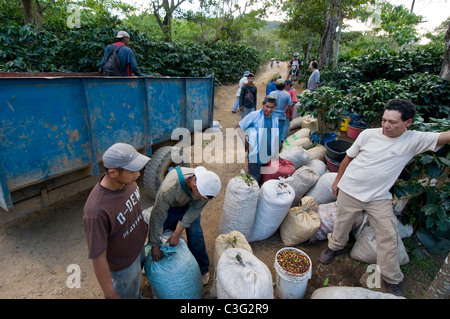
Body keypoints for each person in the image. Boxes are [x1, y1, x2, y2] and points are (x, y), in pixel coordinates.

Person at [319, 99, 450, 296]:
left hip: (378, 197)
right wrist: (338, 180)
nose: (386, 126)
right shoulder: (367, 135)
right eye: (384, 120)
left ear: (408, 122)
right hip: (350, 189)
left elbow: (443, 136)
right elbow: (348, 158)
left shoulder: (414, 139)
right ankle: (334, 247)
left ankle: (392, 278)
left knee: (388, 236)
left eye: (392, 122)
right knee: (342, 222)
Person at [83, 143, 150, 299]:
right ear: (113, 173)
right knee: (127, 291)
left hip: (138, 249)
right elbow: (98, 256)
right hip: (123, 265)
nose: (138, 174)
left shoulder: (128, 182)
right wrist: (110, 293)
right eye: (132, 170)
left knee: (134, 288)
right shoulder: (96, 211)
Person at [148, 166, 221, 286]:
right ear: (194, 186)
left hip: (189, 205)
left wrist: (177, 233)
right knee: (165, 232)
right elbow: (157, 218)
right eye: (202, 197)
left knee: (195, 234)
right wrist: (155, 245)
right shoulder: (168, 190)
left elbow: (193, 212)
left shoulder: (204, 188)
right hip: (170, 206)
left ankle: (202, 269)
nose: (203, 199)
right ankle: (157, 263)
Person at [237, 95, 279, 184]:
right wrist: (245, 142)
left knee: (264, 179)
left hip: (268, 155)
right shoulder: (254, 115)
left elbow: (274, 135)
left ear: (275, 107)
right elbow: (239, 127)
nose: (269, 110)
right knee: (254, 181)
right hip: (255, 154)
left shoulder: (275, 118)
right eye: (267, 106)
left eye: (272, 107)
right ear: (262, 104)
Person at [269, 78, 293, 144]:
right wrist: (290, 116)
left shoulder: (272, 93)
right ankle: (277, 147)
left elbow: (268, 105)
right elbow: (290, 107)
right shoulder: (287, 95)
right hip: (282, 116)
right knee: (279, 133)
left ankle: (270, 147)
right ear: (283, 86)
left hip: (273, 116)